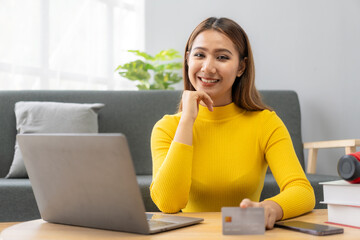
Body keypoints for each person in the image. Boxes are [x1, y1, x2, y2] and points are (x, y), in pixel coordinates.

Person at [150, 17, 315, 229]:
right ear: (188, 59)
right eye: (199, 55)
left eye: (222, 57)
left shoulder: (265, 123)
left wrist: (269, 208)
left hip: (243, 231)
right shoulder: (166, 128)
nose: (208, 68)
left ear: (241, 67)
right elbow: (168, 204)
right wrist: (187, 121)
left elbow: (301, 189)